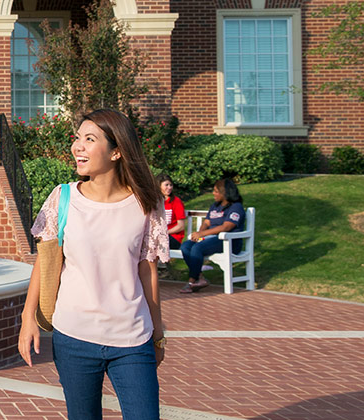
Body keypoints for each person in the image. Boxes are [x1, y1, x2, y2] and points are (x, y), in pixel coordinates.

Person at [17, 109, 168, 419]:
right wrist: (27, 318)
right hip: (74, 336)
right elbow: (45, 263)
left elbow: (147, 269)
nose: (77, 147)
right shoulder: (64, 198)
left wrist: (157, 332)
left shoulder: (145, 203)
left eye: (89, 139)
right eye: (77, 138)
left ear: (117, 151)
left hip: (132, 338)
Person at [179, 178, 245, 293]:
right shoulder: (215, 206)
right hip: (212, 238)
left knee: (197, 248)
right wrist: (199, 234)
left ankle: (191, 281)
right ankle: (199, 277)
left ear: (225, 192)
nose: (213, 193)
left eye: (216, 191)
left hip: (228, 241)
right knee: (186, 246)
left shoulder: (236, 207)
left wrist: (203, 234)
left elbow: (226, 227)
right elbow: (206, 222)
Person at [158, 174, 186, 249]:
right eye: (166, 185)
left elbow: (181, 226)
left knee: (156, 242)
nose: (169, 188)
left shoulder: (176, 202)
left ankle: (163, 261)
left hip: (173, 237)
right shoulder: (156, 202)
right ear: (159, 186)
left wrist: (165, 232)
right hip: (158, 235)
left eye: (171, 185)